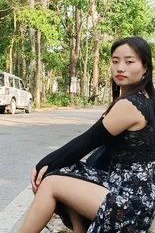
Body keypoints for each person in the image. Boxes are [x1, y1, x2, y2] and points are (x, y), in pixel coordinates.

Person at [19, 36, 155, 233]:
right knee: (68, 169)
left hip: (130, 203)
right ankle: (79, 229)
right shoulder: (146, 100)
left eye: (129, 61)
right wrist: (50, 165)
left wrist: (42, 165)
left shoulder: (131, 105)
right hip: (133, 193)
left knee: (50, 183)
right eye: (115, 61)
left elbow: (86, 142)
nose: (120, 68)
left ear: (145, 68)